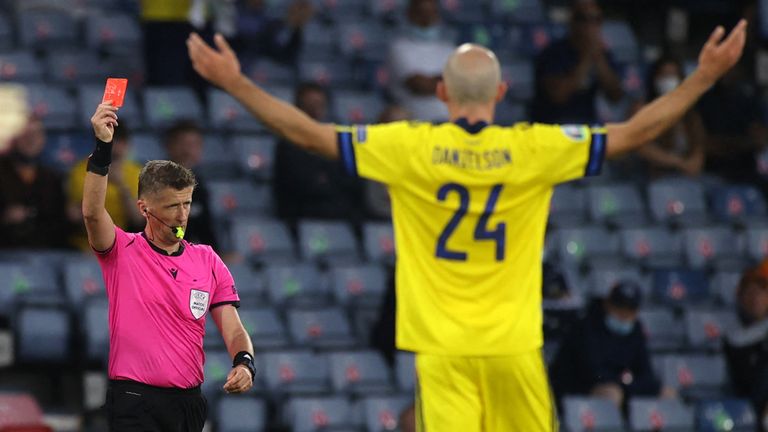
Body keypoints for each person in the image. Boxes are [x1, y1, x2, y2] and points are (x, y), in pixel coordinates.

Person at [188, 18, 746, 430]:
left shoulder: (410, 146)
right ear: (501, 94)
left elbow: (309, 133)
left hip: (443, 348)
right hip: (515, 345)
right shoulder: (534, 147)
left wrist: (236, 82)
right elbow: (631, 133)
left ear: (441, 92)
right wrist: (703, 77)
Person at [85, 105, 255, 431]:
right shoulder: (122, 250)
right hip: (134, 399)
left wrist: (244, 363)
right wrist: (103, 147)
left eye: (187, 204)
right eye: (172, 206)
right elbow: (93, 214)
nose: (181, 216)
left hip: (188, 403)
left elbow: (233, 329)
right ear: (144, 207)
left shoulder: (207, 260)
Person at [550, 281, 673, 408]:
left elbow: (646, 372)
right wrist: (626, 382)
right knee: (612, 393)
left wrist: (629, 384)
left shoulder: (636, 329)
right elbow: (592, 373)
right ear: (607, 304)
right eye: (619, 309)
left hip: (622, 386)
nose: (624, 315)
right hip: (580, 388)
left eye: (629, 311)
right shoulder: (586, 326)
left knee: (667, 393)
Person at [273, 82, 366, 223]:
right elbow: (302, 184)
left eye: (319, 105)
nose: (315, 111)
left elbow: (352, 180)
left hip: (342, 213)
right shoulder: (288, 142)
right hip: (302, 215)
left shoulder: (335, 138)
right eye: (310, 106)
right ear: (299, 107)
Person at [531, 0, 624, 124]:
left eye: (596, 19)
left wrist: (599, 59)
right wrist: (586, 58)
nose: (590, 25)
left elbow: (616, 96)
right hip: (553, 125)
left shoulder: (603, 54)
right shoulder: (554, 53)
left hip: (587, 124)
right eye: (583, 19)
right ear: (572, 21)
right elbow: (558, 96)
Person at [67, 123, 143, 251]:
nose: (116, 148)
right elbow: (75, 216)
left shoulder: (137, 173)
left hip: (124, 244)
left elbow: (138, 220)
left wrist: (121, 185)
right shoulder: (80, 171)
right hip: (85, 244)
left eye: (121, 142)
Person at [0, 115, 70, 249]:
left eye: (36, 134)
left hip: (44, 252)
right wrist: (5, 217)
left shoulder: (52, 177)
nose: (31, 139)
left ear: (43, 140)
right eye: (25, 133)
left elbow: (60, 222)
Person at [633, 56, 706, 178]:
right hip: (652, 176)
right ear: (654, 79)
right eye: (664, 75)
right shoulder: (642, 109)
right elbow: (641, 147)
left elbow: (699, 147)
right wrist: (677, 162)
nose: (669, 81)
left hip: (686, 176)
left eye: (673, 75)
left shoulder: (689, 112)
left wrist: (694, 162)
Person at [386, 0, 455, 121]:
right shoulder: (399, 48)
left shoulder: (449, 49)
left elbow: (461, 86)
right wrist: (448, 80)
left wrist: (434, 81)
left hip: (448, 124)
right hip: (413, 124)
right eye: (421, 14)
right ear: (410, 14)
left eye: (431, 13)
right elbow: (419, 86)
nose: (426, 20)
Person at [162, 120, 220, 250]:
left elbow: (205, 229)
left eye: (193, 145)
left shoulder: (200, 187)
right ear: (169, 146)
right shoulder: (155, 183)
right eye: (182, 144)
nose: (187, 151)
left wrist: (217, 256)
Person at [724, 263, 768, 432]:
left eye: (761, 292)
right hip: (748, 407)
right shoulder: (733, 337)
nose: (755, 299)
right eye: (750, 292)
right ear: (740, 296)